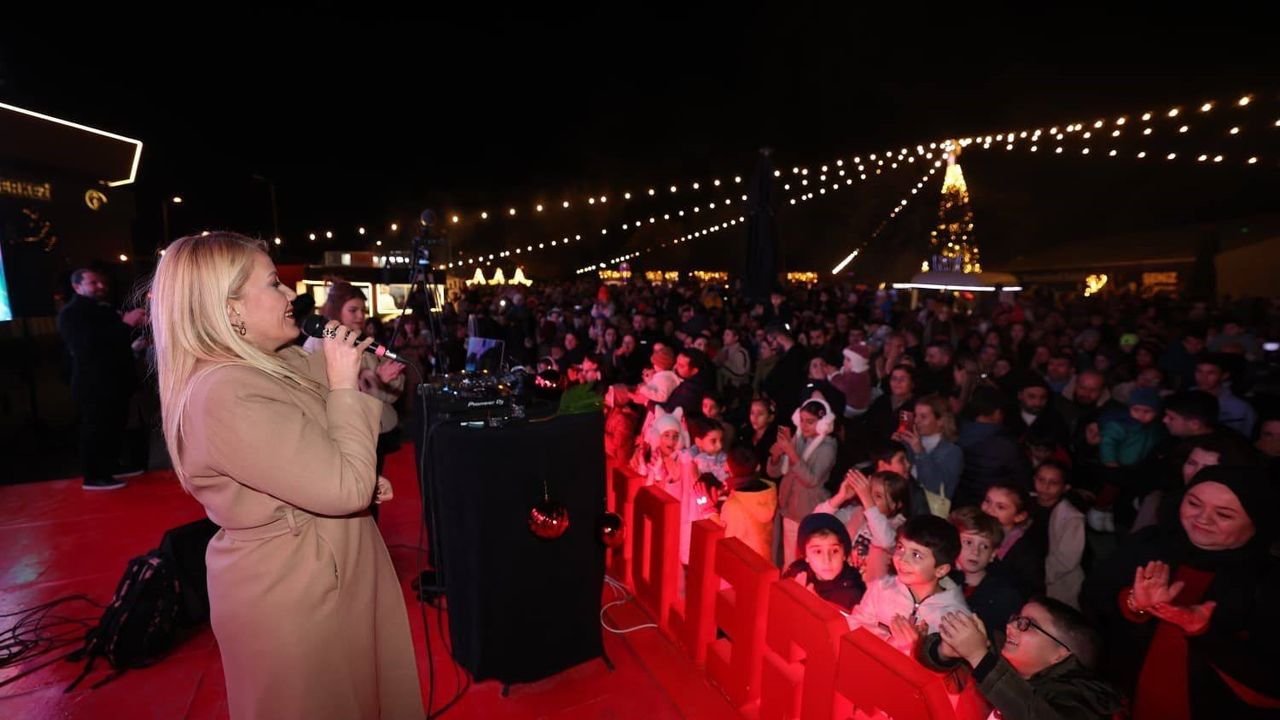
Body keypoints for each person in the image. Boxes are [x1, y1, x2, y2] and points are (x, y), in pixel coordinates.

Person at [149, 233, 423, 719]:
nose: (290, 294)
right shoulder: (225, 391)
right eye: (274, 283)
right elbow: (344, 486)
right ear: (230, 307)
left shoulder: (271, 364)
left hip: (325, 567)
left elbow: (328, 448)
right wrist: (344, 386)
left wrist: (363, 383)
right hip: (296, 590)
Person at [1082, 464, 1280, 719]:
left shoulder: (1268, 579)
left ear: (1256, 521)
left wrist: (1205, 633)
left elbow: (1269, 680)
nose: (1202, 519)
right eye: (1194, 503)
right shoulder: (1150, 542)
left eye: (1224, 514)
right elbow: (1092, 597)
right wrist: (1132, 604)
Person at [920, 598, 1126, 720]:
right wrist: (945, 651)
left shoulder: (1084, 698)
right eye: (1017, 619)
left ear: (1060, 654)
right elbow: (926, 657)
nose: (1010, 626)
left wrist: (978, 657)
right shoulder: (1000, 653)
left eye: (1027, 624)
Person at [303, 282, 405, 518]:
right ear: (336, 309)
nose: (360, 316)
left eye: (363, 310)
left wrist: (383, 381)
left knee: (371, 497)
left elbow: (386, 394)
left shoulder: (362, 341)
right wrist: (375, 380)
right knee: (355, 499)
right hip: (340, 433)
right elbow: (323, 392)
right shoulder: (319, 343)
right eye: (353, 310)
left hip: (372, 429)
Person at [58, 268, 149, 489]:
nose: (101, 286)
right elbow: (87, 347)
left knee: (114, 427)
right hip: (94, 385)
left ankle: (110, 467)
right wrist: (126, 324)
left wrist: (135, 343)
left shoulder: (103, 309)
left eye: (101, 282)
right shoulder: (72, 313)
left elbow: (113, 344)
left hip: (114, 383)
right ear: (77, 286)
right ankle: (94, 475)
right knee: (97, 429)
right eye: (93, 283)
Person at [845, 515, 969, 655]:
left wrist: (919, 649)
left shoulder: (954, 619)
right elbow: (856, 625)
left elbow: (945, 663)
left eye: (916, 555)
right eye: (900, 547)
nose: (902, 559)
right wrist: (892, 642)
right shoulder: (881, 589)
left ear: (940, 570)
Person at [767, 398, 838, 567]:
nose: (804, 425)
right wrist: (776, 456)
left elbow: (811, 480)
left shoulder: (828, 447)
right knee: (789, 561)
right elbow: (775, 472)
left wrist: (790, 452)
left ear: (823, 423)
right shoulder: (797, 438)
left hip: (809, 511)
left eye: (810, 422)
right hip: (789, 509)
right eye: (802, 420)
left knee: (805, 563)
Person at [949, 506, 1023, 637]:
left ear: (993, 554)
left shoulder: (1004, 595)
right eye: (968, 542)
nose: (975, 552)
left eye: (984, 546)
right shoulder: (942, 580)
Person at [896, 394, 964, 517]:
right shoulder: (910, 443)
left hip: (930, 513)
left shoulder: (952, 452)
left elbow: (934, 486)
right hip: (905, 508)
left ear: (940, 421)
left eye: (923, 417)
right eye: (916, 415)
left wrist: (920, 452)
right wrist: (895, 446)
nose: (916, 421)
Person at [782, 512, 866, 612]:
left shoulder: (853, 593)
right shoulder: (796, 572)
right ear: (806, 556)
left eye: (834, 551)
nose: (827, 560)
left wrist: (817, 605)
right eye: (818, 551)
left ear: (844, 554)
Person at [1033, 462, 1086, 608]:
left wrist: (1037, 575)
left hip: (1055, 579)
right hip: (1027, 570)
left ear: (1065, 487)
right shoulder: (1024, 503)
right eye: (1041, 480)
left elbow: (1067, 559)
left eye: (1053, 483)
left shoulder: (1071, 517)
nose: (1045, 486)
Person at [718, 447, 778, 561]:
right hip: (764, 559)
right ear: (757, 466)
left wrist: (709, 511)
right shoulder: (768, 492)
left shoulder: (733, 506)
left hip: (744, 564)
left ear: (729, 469)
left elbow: (729, 543)